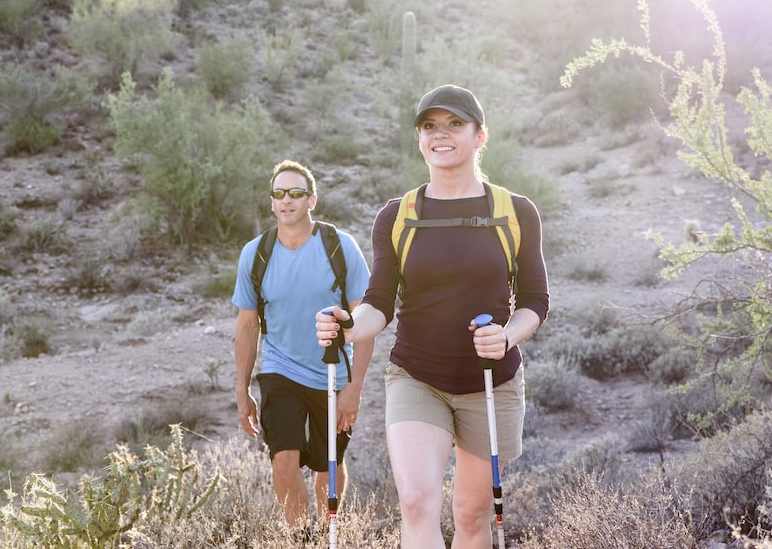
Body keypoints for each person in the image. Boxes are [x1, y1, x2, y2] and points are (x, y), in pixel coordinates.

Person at [316, 85, 549, 549]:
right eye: (429, 127)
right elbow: (378, 303)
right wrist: (347, 327)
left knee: (470, 514)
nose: (440, 135)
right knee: (418, 502)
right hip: (416, 376)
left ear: (480, 136)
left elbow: (534, 302)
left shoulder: (515, 212)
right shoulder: (397, 215)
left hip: (491, 380)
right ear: (420, 139)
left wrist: (505, 337)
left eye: (454, 125)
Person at [233, 159, 374, 541]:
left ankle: (331, 532)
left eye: (295, 193)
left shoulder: (339, 247)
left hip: (332, 372)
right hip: (280, 370)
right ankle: (301, 538)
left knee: (329, 466)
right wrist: (242, 390)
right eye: (279, 193)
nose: (286, 200)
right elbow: (247, 326)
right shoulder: (256, 253)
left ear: (312, 199)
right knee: (284, 459)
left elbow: (367, 321)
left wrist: (355, 387)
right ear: (272, 202)